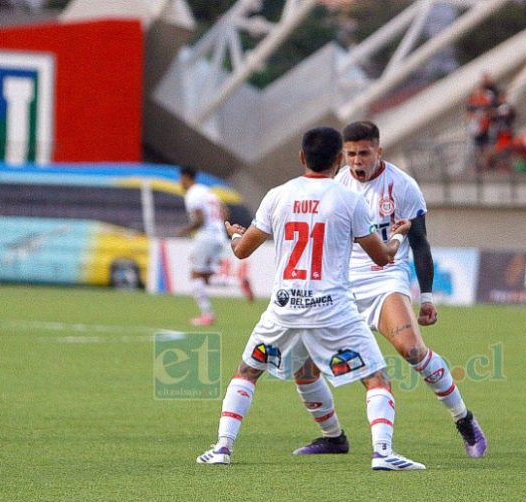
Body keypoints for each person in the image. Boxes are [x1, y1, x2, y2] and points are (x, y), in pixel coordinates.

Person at [196, 127, 425, 471]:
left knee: (247, 372)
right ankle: (383, 453)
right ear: (338, 160)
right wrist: (395, 236)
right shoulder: (349, 200)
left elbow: (242, 251)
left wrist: (237, 235)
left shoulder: (278, 195)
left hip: (285, 307)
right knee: (376, 379)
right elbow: (382, 257)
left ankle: (222, 448)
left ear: (302, 157)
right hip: (332, 308)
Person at [291, 121, 487, 458]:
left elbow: (421, 244)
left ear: (378, 151)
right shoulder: (335, 184)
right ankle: (333, 437)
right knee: (301, 363)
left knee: (412, 351)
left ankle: (464, 419)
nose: (357, 161)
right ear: (342, 155)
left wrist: (425, 297)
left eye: (364, 153)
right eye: (350, 154)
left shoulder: (403, 186)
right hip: (340, 283)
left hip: (385, 276)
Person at [178, 167, 253, 326]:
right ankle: (237, 281)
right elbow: (225, 212)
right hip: (218, 235)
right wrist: (219, 224)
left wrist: (185, 230)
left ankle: (207, 315)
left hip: (206, 237)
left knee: (195, 277)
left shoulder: (192, 194)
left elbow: (200, 218)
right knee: (205, 277)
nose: (180, 182)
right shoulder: (208, 191)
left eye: (181, 179)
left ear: (186, 177)